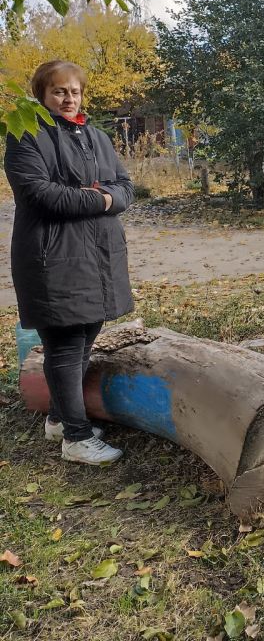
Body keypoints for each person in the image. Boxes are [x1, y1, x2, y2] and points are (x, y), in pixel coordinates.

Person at [5, 60, 134, 465]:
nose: (68, 97)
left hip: (96, 254)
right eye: (59, 91)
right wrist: (101, 199)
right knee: (63, 343)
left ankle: (60, 419)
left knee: (86, 335)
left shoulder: (96, 137)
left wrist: (104, 195)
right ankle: (76, 439)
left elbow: (127, 187)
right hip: (53, 256)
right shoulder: (25, 135)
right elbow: (42, 195)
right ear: (42, 94)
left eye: (74, 91)